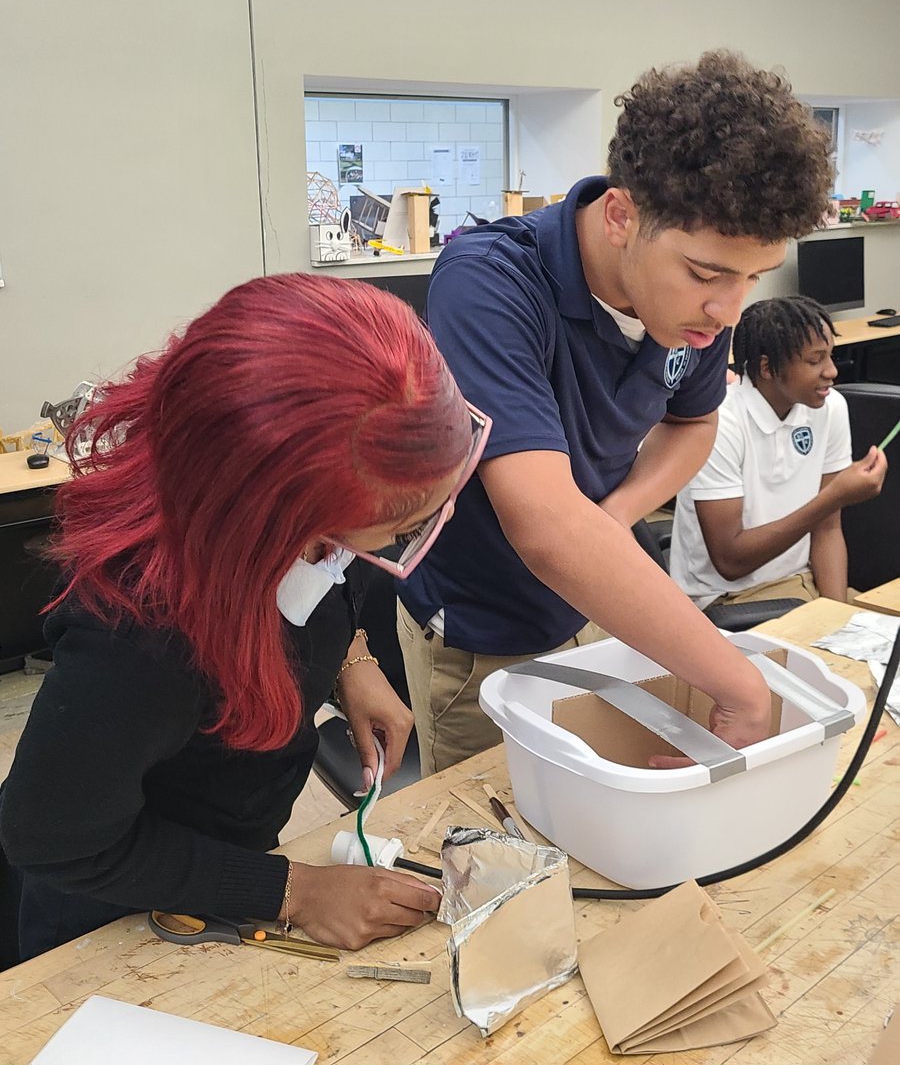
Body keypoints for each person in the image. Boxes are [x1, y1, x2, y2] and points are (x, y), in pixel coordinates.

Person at [0, 273, 489, 966]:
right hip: (114, 911)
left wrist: (353, 661)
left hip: (229, 836)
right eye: (404, 525)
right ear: (272, 520)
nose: (413, 534)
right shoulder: (142, 643)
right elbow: (53, 838)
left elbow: (329, 571)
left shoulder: (283, 513)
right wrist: (292, 891)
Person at [396, 49, 835, 776]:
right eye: (706, 274)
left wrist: (621, 510)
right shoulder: (489, 283)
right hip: (486, 627)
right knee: (501, 837)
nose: (729, 310)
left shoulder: (696, 309)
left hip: (600, 601)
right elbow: (545, 528)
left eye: (754, 277)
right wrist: (738, 685)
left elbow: (694, 423)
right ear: (622, 215)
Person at [669, 296, 887, 609]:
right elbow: (730, 561)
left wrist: (835, 617)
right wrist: (833, 497)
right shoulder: (719, 420)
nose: (832, 372)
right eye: (815, 361)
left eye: (830, 356)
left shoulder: (829, 407)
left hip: (800, 585)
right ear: (768, 368)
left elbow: (827, 529)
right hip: (726, 602)